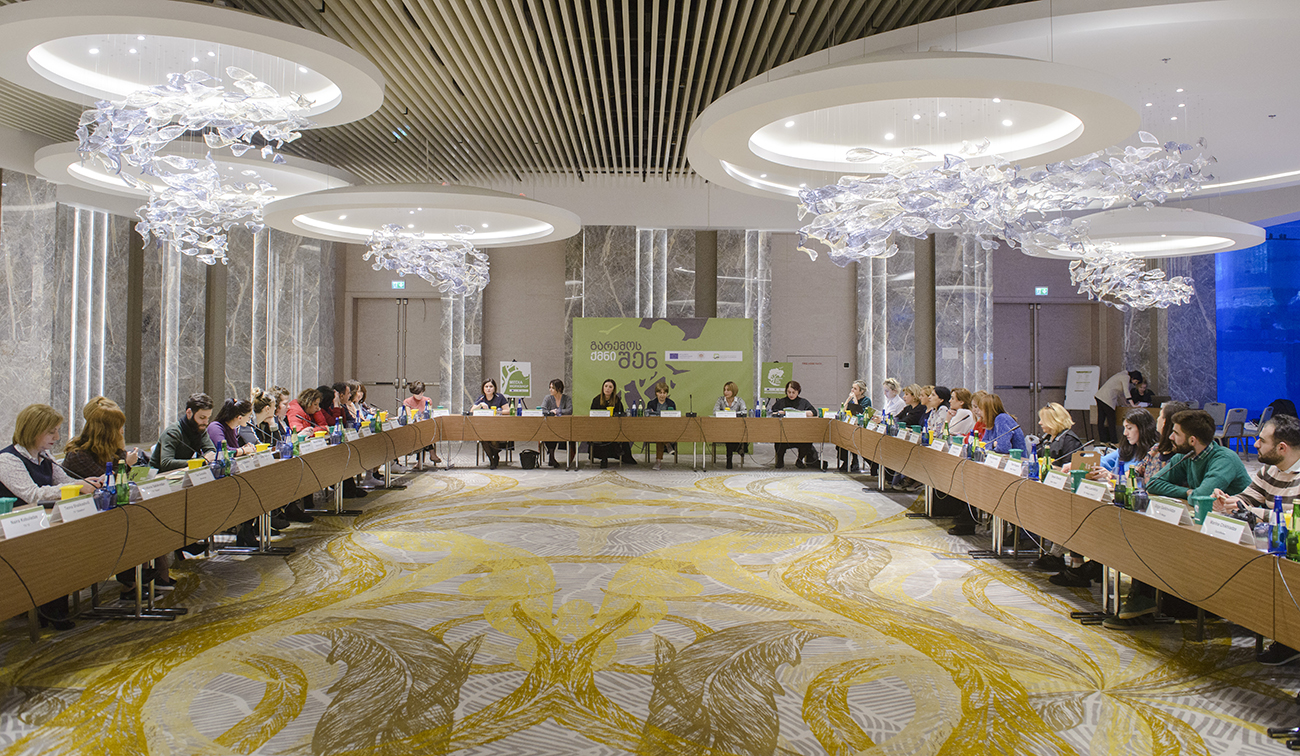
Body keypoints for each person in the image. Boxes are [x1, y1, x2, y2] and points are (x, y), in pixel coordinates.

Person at [1103, 409, 1252, 629]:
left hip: (1237, 534)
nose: (1170, 437)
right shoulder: (1188, 456)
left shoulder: (1224, 459)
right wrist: (1188, 492)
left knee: (1161, 541)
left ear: (1192, 440)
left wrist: (1194, 494)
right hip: (1206, 524)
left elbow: (1203, 496)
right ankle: (1143, 601)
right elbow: (1154, 483)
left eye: (1176, 433)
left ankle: (1146, 602)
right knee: (1150, 534)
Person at [0, 404, 103, 630]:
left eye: (57, 431)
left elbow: (64, 482)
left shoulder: (45, 456)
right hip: (16, 530)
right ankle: (47, 608)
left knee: (67, 545)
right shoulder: (7, 459)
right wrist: (77, 486)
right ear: (32, 431)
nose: (57, 437)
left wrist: (87, 482)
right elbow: (32, 494)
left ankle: (55, 607)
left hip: (43, 525)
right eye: (51, 432)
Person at [1208, 415, 1300, 665]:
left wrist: (1252, 511)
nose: (1256, 444)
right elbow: (1247, 498)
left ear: (1282, 448)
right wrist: (1228, 501)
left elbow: (1294, 518)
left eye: (1261, 440)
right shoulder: (1269, 469)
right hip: (1272, 545)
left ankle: (1288, 638)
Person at [64, 403, 176, 591]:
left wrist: (131, 463)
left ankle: (151, 575)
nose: (122, 432)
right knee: (133, 520)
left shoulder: (112, 450)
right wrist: (126, 465)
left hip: (113, 512)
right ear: (106, 431)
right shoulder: (78, 455)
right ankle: (135, 579)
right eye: (119, 428)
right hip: (87, 519)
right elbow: (105, 485)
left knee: (150, 514)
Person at [155, 393, 218, 472]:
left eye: (208, 418)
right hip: (158, 476)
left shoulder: (200, 428)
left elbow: (211, 452)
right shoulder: (172, 432)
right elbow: (166, 463)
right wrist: (202, 461)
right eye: (202, 417)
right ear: (189, 413)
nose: (206, 422)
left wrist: (205, 459)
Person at [1096, 410, 1157, 479]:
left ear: (1143, 429)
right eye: (1124, 428)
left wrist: (1112, 476)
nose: (1125, 433)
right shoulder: (1126, 449)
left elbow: (1134, 478)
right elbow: (1102, 462)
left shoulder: (1153, 454)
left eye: (1129, 428)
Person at [590, 378, 636, 468]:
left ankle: (622, 456)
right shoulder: (596, 400)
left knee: (617, 434)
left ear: (613, 389)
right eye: (606, 386)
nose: (607, 389)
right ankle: (604, 458)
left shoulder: (617, 400)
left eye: (610, 387)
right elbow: (592, 414)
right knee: (604, 434)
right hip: (599, 428)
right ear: (603, 388)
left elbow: (621, 415)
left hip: (613, 428)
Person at [772, 380, 817, 469]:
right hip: (784, 433)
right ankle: (780, 460)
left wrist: (803, 413)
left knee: (808, 441)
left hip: (800, 434)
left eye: (793, 392)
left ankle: (799, 460)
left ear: (798, 392)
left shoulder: (803, 402)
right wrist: (780, 413)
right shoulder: (781, 402)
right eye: (789, 392)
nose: (791, 394)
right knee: (778, 440)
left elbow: (814, 412)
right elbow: (772, 412)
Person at [1095, 369, 1140, 444]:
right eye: (1136, 381)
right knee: (1111, 420)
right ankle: (1114, 441)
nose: (1135, 383)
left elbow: (1121, 394)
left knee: (1101, 420)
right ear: (1134, 378)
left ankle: (1103, 440)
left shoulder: (1121, 375)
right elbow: (1126, 392)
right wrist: (1132, 405)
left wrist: (1126, 404)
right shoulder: (1126, 377)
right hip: (1107, 399)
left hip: (1099, 396)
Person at [474, 378, 509, 469]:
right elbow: (471, 411)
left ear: (494, 388)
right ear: (483, 388)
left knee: (493, 439)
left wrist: (496, 412)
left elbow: (508, 411)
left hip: (498, 426)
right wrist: (480, 405)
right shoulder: (481, 398)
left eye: (491, 386)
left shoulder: (499, 397)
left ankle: (495, 456)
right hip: (484, 427)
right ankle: (492, 460)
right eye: (486, 386)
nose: (488, 389)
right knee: (483, 438)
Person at [403, 381, 441, 464]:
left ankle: (420, 461)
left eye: (421, 393)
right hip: (413, 427)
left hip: (425, 426)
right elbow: (409, 416)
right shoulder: (407, 402)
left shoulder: (427, 400)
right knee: (421, 434)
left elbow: (429, 414)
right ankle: (431, 453)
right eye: (417, 394)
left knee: (424, 433)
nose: (419, 395)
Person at [541, 379, 575, 469]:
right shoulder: (547, 398)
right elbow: (543, 410)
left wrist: (557, 411)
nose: (550, 390)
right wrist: (550, 412)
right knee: (549, 433)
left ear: (559, 389)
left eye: (552, 388)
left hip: (564, 426)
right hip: (550, 426)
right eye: (550, 387)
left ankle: (552, 458)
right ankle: (551, 457)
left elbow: (569, 410)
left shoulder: (567, 398)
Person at [838, 380, 870, 474]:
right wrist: (848, 400)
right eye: (852, 388)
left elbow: (860, 413)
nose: (852, 390)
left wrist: (855, 400)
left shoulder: (866, 400)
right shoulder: (851, 399)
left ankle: (855, 460)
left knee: (853, 438)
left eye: (855, 389)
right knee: (842, 437)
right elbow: (842, 411)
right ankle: (846, 461)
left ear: (861, 391)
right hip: (849, 425)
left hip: (861, 427)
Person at [714, 381, 748, 469]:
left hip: (736, 428)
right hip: (723, 428)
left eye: (728, 390)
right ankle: (739, 449)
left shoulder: (739, 400)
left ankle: (729, 461)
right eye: (724, 390)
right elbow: (715, 412)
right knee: (729, 436)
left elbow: (744, 412)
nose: (725, 392)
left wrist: (732, 414)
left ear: (733, 391)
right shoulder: (720, 400)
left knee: (732, 436)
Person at [645, 380, 677, 470]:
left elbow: (674, 418)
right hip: (653, 429)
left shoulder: (671, 404)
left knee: (660, 434)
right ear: (656, 393)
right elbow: (647, 418)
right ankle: (667, 444)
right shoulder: (651, 404)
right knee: (659, 433)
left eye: (664, 393)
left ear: (667, 394)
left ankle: (658, 462)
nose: (662, 395)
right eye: (660, 393)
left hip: (668, 429)